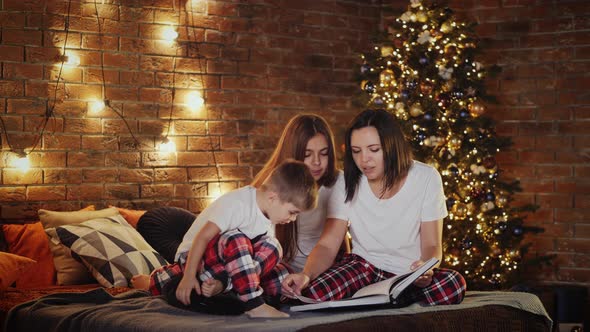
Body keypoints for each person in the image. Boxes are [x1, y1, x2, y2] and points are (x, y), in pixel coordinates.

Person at [282, 109, 466, 306]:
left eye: (374, 149)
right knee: (309, 295)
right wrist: (306, 274)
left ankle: (376, 299)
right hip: (362, 267)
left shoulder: (426, 177)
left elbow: (432, 245)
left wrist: (425, 268)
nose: (364, 160)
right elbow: (328, 244)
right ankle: (384, 299)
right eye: (356, 151)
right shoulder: (346, 182)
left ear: (392, 146)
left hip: (407, 272)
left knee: (453, 285)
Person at [145, 159, 317, 318]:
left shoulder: (268, 216)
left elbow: (258, 258)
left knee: (276, 254)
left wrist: (224, 281)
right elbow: (202, 238)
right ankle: (253, 305)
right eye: (293, 212)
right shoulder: (238, 204)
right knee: (236, 238)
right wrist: (189, 276)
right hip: (195, 261)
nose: (292, 219)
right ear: (273, 197)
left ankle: (226, 287)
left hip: (225, 271)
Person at [251, 114, 340, 273]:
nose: (317, 162)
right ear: (292, 154)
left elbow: (332, 243)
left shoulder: (339, 182)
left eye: (324, 153)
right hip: (278, 268)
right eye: (307, 154)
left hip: (319, 269)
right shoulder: (272, 185)